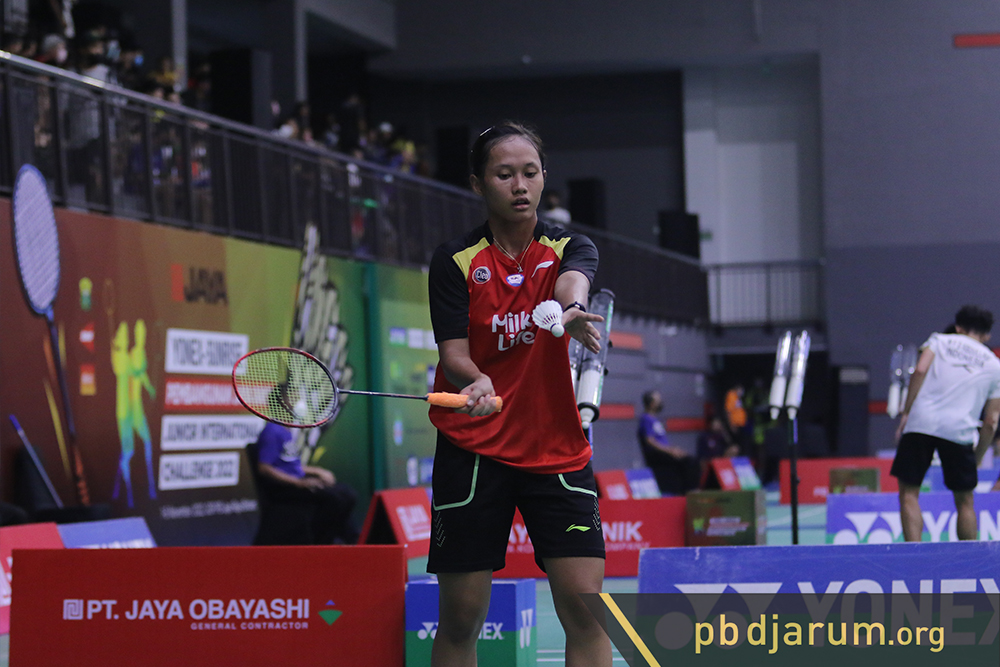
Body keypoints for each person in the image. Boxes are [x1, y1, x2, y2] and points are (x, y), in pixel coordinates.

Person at [427, 122, 611, 667]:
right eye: (504, 174)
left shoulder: (568, 246)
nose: (519, 185)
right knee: (461, 618)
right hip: (473, 447)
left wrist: (572, 310)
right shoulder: (456, 260)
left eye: (529, 172)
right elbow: (453, 352)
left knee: (587, 612)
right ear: (478, 183)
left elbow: (573, 281)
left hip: (555, 447)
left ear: (543, 177)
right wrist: (474, 379)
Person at [892, 305, 1000, 541]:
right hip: (959, 431)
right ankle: (969, 557)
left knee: (909, 493)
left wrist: (907, 411)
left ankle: (915, 552)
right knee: (965, 501)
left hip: (921, 422)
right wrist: (978, 456)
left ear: (958, 327)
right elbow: (992, 421)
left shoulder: (939, 341)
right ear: (987, 335)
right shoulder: (994, 365)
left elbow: (920, 370)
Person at [253, 385, 359, 545]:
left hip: (297, 481)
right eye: (294, 398)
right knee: (335, 499)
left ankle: (354, 541)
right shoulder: (272, 431)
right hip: (284, 488)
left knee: (346, 494)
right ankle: (320, 542)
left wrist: (318, 471)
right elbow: (264, 468)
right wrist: (299, 483)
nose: (299, 402)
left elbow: (289, 464)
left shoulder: (287, 430)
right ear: (282, 402)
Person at [638, 390, 701, 495]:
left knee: (692, 460)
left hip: (666, 452)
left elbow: (663, 441)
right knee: (689, 462)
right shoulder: (646, 419)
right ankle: (690, 492)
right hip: (657, 456)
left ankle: (689, 491)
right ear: (652, 404)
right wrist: (670, 451)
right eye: (658, 400)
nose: (661, 402)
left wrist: (673, 450)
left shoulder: (656, 420)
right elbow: (650, 440)